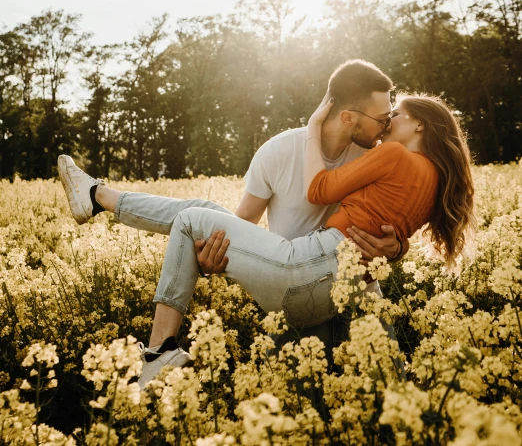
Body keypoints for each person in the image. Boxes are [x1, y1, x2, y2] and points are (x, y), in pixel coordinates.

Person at [59, 88, 475, 388]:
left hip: (305, 270)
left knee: (190, 220)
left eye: (397, 114)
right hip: (348, 284)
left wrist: (313, 127)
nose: (387, 124)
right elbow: (392, 229)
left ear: (419, 123)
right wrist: (398, 247)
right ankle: (97, 196)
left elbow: (320, 191)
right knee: (203, 211)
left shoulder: (392, 153)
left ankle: (159, 351)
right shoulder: (438, 180)